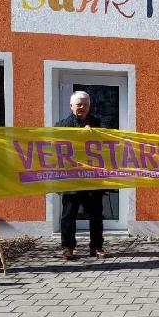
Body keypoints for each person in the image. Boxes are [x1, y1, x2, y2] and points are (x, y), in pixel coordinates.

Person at [55, 91, 107, 260]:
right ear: (71, 106)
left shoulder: (98, 123)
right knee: (68, 216)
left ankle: (96, 247)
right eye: (79, 104)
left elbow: (106, 147)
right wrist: (80, 133)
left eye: (85, 104)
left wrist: (95, 134)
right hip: (71, 178)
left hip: (92, 177)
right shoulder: (62, 125)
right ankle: (68, 248)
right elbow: (58, 148)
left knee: (96, 215)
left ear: (89, 106)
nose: (82, 107)